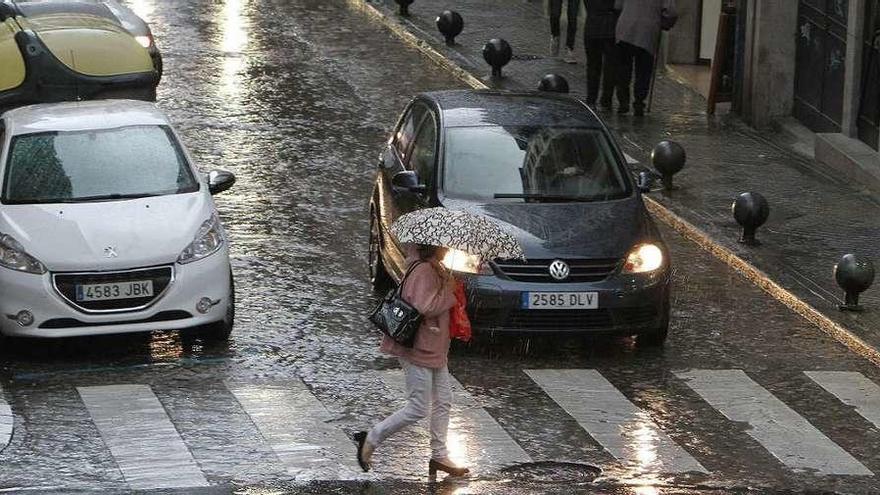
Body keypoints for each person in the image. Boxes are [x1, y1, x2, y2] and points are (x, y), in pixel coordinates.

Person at [355, 244, 469, 478]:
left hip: (434, 349)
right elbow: (424, 307)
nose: (447, 249)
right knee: (418, 408)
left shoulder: (435, 268)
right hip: (419, 349)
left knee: (443, 400)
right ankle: (372, 437)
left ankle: (439, 455)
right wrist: (448, 292)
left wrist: (447, 284)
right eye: (443, 246)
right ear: (433, 247)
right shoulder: (424, 271)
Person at [615, 0, 677, 116]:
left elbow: (617, 5)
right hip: (648, 31)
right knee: (644, 71)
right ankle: (639, 102)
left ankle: (623, 102)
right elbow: (671, 12)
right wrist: (666, 24)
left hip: (625, 29)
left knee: (623, 68)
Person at [583, 0, 620, 110]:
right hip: (610, 27)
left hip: (592, 25)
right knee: (610, 67)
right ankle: (606, 100)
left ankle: (591, 99)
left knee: (593, 66)